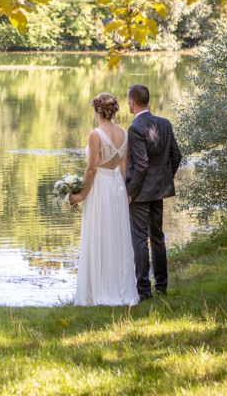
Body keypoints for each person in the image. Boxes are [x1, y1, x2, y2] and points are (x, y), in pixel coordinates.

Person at [69, 93, 138, 306]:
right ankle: (118, 288)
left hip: (100, 187)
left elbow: (91, 168)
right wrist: (126, 192)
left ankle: (98, 292)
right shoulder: (123, 133)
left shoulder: (95, 134)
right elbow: (124, 165)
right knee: (116, 236)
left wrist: (81, 194)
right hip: (117, 186)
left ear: (97, 110)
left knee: (98, 234)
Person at [125, 84, 182, 300]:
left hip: (140, 195)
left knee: (139, 240)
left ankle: (143, 291)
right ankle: (162, 286)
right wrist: (163, 180)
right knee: (157, 237)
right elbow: (176, 156)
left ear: (132, 102)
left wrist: (131, 192)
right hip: (158, 192)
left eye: (128, 101)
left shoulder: (135, 128)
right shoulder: (165, 124)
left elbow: (141, 165)